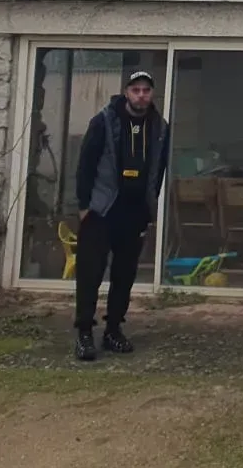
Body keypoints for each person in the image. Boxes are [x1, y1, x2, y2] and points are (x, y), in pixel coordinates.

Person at [72, 70, 170, 361]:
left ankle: (113, 330)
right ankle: (84, 334)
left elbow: (159, 169)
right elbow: (85, 163)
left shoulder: (159, 127)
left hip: (135, 212)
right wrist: (83, 205)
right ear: (126, 92)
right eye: (136, 89)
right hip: (102, 210)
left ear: (151, 94)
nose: (141, 95)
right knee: (90, 273)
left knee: (124, 275)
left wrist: (150, 207)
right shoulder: (104, 121)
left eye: (146, 90)